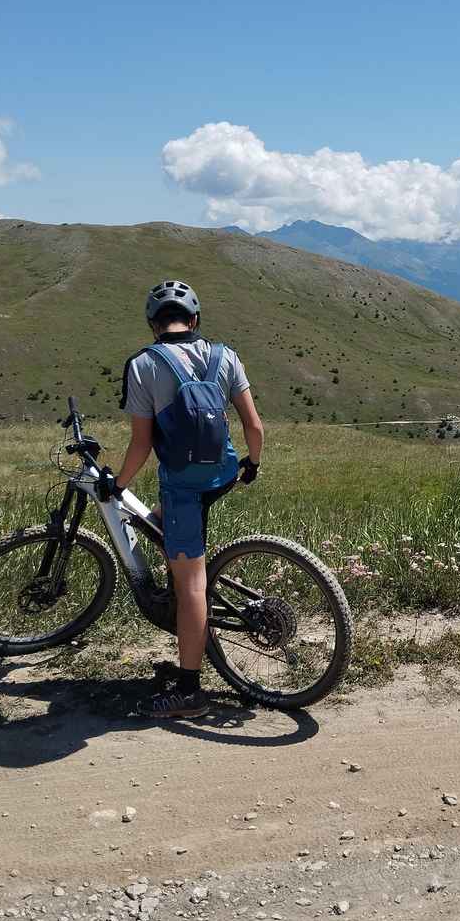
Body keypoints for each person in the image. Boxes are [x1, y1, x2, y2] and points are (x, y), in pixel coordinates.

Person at [102, 279, 264, 719]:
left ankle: (190, 690)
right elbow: (254, 426)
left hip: (182, 482)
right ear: (194, 320)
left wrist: (117, 484)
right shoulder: (225, 356)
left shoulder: (143, 365)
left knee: (191, 581)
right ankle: (183, 595)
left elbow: (141, 444)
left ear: (154, 326)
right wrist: (251, 464)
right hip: (224, 472)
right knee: (160, 523)